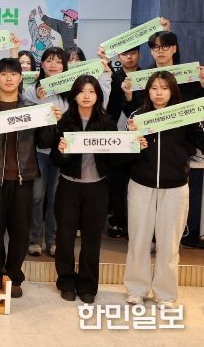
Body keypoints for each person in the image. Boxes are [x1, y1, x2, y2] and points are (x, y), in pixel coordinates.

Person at [0, 58, 60, 298]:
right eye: (3, 74)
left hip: (24, 178)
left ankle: (13, 276)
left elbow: (44, 142)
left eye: (13, 74)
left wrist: (50, 123)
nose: (8, 78)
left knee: (20, 231)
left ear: (21, 78)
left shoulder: (32, 108)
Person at [22, 47, 112, 257]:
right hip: (40, 152)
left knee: (56, 199)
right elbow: (26, 119)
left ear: (65, 66)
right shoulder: (32, 90)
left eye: (58, 61)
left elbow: (100, 101)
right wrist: (40, 100)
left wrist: (106, 73)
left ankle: (52, 240)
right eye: (49, 60)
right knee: (36, 197)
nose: (53, 65)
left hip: (67, 155)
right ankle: (34, 239)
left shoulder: (74, 90)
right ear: (42, 64)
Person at [124, 71, 204, 307]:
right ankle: (136, 289)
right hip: (141, 184)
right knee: (138, 239)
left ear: (173, 91)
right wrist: (133, 141)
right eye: (154, 88)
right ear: (147, 91)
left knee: (169, 243)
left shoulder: (184, 115)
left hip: (175, 186)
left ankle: (165, 294)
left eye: (164, 88)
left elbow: (199, 140)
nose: (159, 93)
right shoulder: (137, 116)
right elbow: (125, 154)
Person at [51, 75, 120, 303]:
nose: (87, 96)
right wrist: (62, 152)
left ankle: (88, 285)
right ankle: (66, 282)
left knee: (92, 239)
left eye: (91, 91)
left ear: (98, 95)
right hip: (68, 186)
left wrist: (132, 145)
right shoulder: (64, 121)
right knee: (65, 237)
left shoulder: (107, 123)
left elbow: (116, 159)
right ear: (74, 96)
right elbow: (55, 159)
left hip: (97, 188)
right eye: (82, 91)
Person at [101, 44, 142, 239]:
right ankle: (117, 222)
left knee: (137, 186)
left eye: (133, 53)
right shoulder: (113, 77)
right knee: (116, 184)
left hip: (139, 138)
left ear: (139, 54)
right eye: (125, 54)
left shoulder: (147, 77)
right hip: (116, 137)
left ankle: (136, 225)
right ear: (119, 56)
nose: (129, 57)